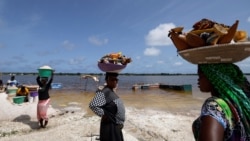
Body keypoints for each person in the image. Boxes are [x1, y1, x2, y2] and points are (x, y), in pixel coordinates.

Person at [192, 63, 250, 141]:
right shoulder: (241, 104)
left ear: (213, 76)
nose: (198, 80)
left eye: (201, 75)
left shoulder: (214, 106)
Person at [89, 72, 125, 141]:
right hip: (110, 127)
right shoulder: (104, 92)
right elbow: (93, 105)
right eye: (112, 80)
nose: (115, 81)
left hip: (115, 125)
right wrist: (104, 115)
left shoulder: (111, 90)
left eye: (116, 80)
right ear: (107, 80)